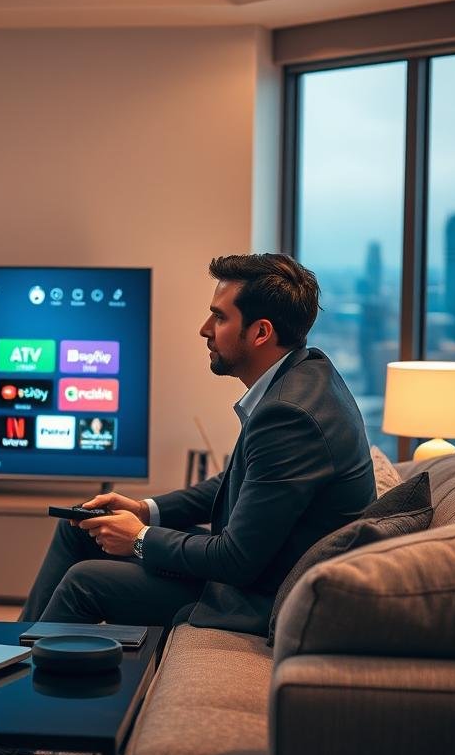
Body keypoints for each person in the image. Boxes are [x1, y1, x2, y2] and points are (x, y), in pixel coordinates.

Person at [20, 254, 376, 635]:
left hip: (254, 595)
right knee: (78, 527)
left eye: (220, 317)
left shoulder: (289, 416)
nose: (204, 329)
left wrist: (138, 538)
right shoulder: (305, 372)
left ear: (261, 333)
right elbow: (236, 481)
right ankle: (12, 652)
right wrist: (145, 510)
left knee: (84, 582)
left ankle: (19, 685)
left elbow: (235, 559)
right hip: (255, 566)